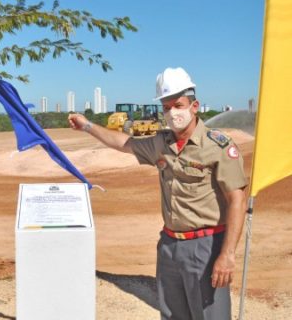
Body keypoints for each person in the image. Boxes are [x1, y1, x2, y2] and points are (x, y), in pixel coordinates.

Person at [69, 67, 247, 319]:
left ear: (194, 106)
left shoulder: (217, 146)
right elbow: (124, 143)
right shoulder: (161, 143)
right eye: (166, 107)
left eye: (178, 105)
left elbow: (236, 200)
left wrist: (227, 254)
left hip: (206, 246)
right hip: (169, 246)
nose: (172, 113)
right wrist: (87, 126)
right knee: (173, 315)